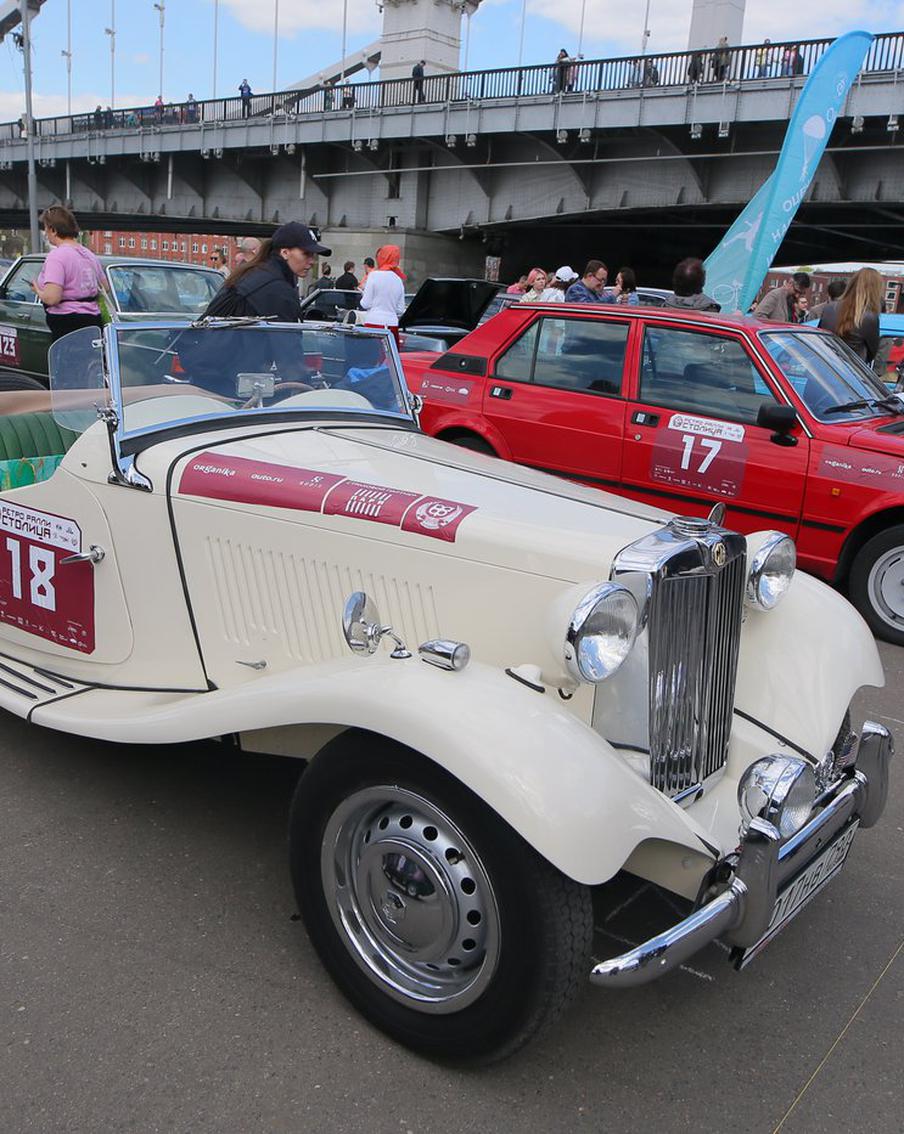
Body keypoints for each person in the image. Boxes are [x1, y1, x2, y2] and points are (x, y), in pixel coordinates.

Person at [203, 221, 331, 321]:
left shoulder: (257, 273)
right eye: (306, 254)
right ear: (285, 252)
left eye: (313, 255)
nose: (312, 261)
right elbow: (286, 346)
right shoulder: (277, 289)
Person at [30, 206, 108, 343]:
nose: (45, 234)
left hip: (67, 324)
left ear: (53, 230)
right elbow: (104, 287)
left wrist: (37, 290)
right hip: (93, 321)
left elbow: (52, 298)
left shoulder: (57, 256)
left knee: (68, 363)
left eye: (46, 229)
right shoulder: (88, 254)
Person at [818, 267, 883, 366]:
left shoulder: (829, 308)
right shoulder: (869, 318)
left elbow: (819, 338)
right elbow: (872, 353)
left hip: (824, 367)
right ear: (875, 290)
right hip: (850, 372)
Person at [360, 245, 406, 344]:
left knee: (370, 357)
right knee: (390, 358)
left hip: (373, 322)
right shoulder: (398, 279)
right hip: (392, 324)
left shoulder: (373, 276)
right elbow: (400, 309)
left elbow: (365, 304)